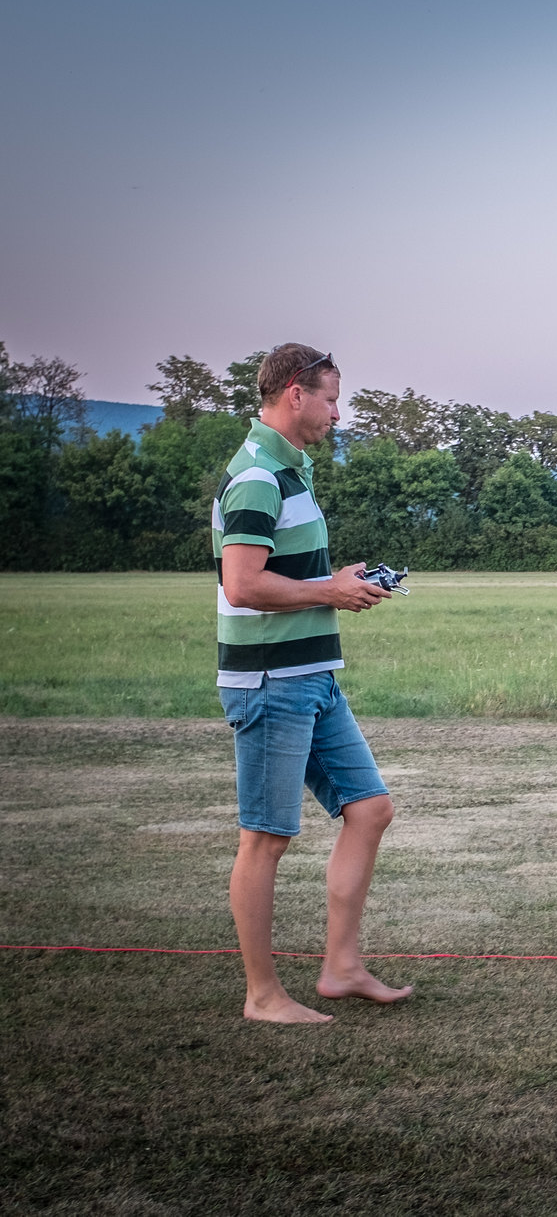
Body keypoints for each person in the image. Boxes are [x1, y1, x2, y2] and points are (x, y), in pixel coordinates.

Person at [215, 343, 411, 1023]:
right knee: (265, 838)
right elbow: (240, 584)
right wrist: (327, 589)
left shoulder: (290, 473)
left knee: (371, 807)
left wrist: (338, 582)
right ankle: (263, 995)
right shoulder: (258, 476)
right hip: (270, 680)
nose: (337, 411)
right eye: (331, 398)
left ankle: (341, 967)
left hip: (313, 675)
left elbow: (289, 574)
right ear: (295, 393)